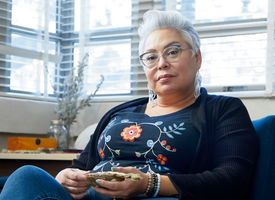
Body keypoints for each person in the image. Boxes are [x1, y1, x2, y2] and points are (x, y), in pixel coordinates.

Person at [0, 9, 259, 200]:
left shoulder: (224, 110)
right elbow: (80, 167)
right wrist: (66, 178)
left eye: (173, 51)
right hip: (90, 197)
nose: (162, 63)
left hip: (157, 198)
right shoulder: (120, 113)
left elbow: (232, 179)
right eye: (151, 56)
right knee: (25, 176)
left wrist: (150, 184)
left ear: (197, 57)